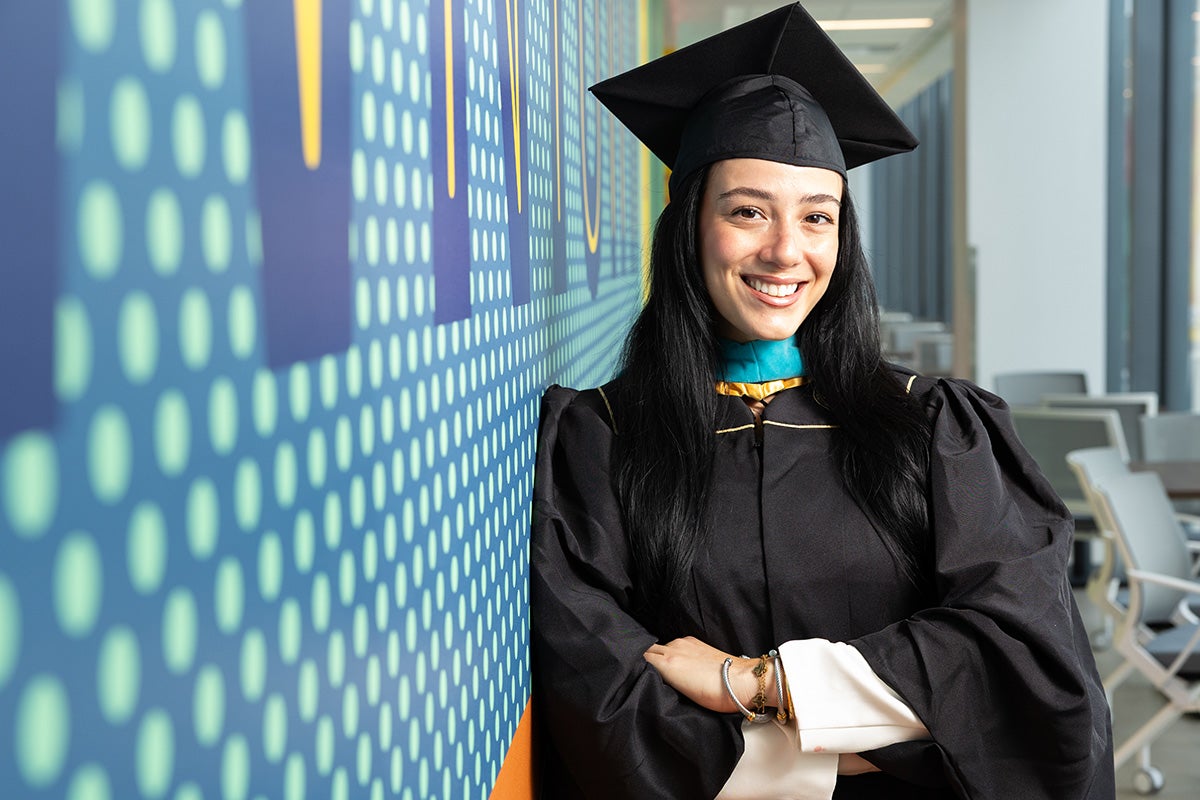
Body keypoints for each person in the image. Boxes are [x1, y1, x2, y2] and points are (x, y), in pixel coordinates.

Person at [529, 4, 1115, 798]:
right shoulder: (599, 439)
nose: (786, 251)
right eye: (747, 211)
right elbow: (599, 701)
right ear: (690, 224)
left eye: (817, 217)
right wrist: (874, 737)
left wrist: (756, 684)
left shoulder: (934, 427)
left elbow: (1022, 663)